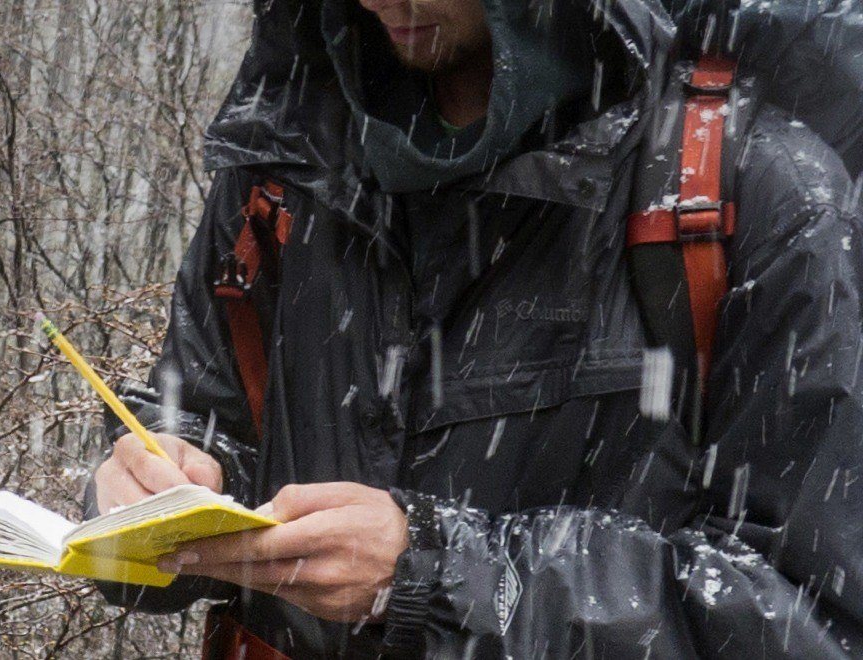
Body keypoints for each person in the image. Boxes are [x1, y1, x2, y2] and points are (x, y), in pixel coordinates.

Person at [87, 0, 863, 656]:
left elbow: (809, 615)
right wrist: (163, 486)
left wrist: (437, 575)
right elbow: (211, 415)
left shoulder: (756, 192)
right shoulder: (286, 168)